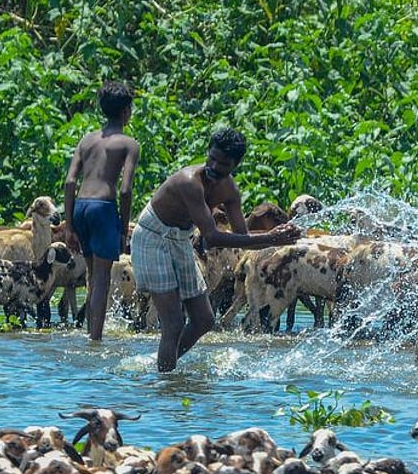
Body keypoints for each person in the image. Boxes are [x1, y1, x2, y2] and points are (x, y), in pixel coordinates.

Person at [131, 127, 302, 371]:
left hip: (179, 238)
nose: (213, 166)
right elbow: (212, 237)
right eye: (211, 158)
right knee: (174, 324)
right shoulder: (190, 182)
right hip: (152, 237)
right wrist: (271, 238)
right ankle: (165, 383)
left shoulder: (230, 191)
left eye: (221, 164)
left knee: (203, 320)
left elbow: (242, 237)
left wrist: (279, 238)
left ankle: (164, 365)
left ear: (234, 165)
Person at [63, 81, 141, 341]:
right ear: (126, 111)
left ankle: (89, 330)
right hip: (103, 208)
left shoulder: (87, 141)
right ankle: (95, 339)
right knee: (103, 279)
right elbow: (125, 190)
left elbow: (70, 182)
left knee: (92, 276)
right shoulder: (129, 144)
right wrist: (122, 228)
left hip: (81, 207)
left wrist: (70, 224)